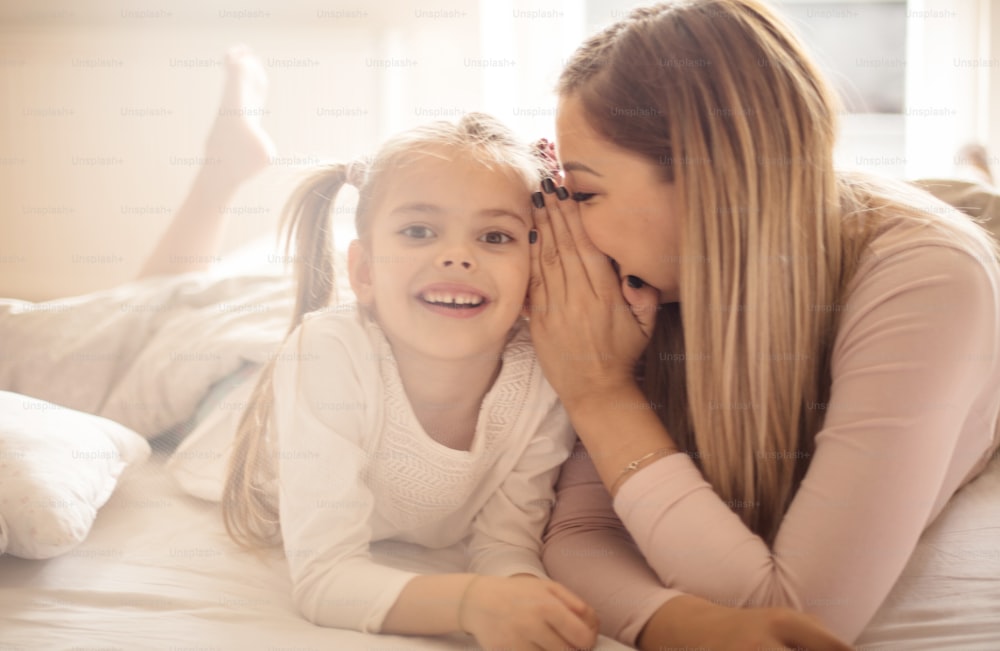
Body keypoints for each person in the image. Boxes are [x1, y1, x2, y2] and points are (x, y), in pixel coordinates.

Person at [522, 1, 1000, 650]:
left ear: (703, 178)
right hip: (826, 224)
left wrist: (600, 394)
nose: (568, 228)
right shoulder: (651, 285)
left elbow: (803, 617)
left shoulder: (928, 280)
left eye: (581, 193)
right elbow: (580, 536)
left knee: (977, 216)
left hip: (940, 253)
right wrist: (677, 622)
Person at [211, 90, 601, 651]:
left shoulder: (541, 374)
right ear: (364, 271)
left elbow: (504, 544)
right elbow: (325, 578)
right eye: (419, 231)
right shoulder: (328, 355)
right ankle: (219, 177)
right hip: (225, 396)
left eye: (495, 237)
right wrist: (469, 605)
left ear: (533, 275)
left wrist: (525, 600)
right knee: (155, 339)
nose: (457, 257)